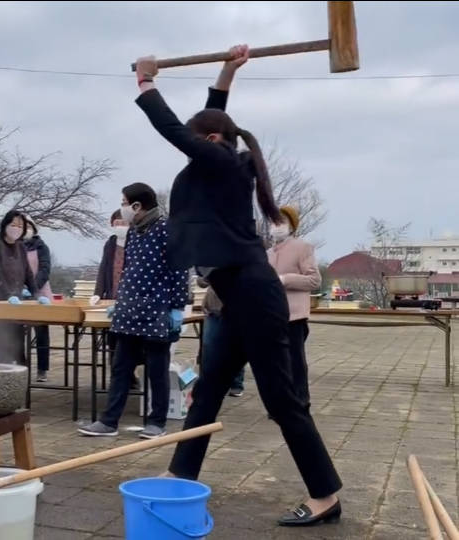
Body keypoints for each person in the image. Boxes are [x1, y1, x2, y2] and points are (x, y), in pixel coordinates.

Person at [133, 47, 342, 526]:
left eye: (198, 140)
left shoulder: (224, 165)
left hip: (255, 296)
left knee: (282, 401)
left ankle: (326, 495)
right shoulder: (218, 162)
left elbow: (173, 129)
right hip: (235, 298)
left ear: (210, 141)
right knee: (207, 391)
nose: (190, 146)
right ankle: (181, 474)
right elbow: (213, 120)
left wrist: (146, 83)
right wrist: (227, 72)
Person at [78, 183, 188, 440]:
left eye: (125, 203)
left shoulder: (167, 229)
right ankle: (109, 422)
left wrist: (177, 307)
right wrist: (120, 301)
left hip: (157, 311)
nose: (123, 208)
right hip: (128, 312)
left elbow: (180, 270)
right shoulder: (134, 233)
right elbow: (128, 270)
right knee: (121, 368)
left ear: (138, 206)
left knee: (156, 370)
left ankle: (157, 422)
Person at [267, 206, 321, 410]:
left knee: (295, 361)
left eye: (281, 221)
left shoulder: (302, 247)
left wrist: (284, 280)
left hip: (294, 316)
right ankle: (280, 404)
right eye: (273, 221)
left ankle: (300, 401)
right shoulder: (268, 253)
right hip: (271, 316)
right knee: (275, 363)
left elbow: (314, 280)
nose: (276, 226)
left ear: (291, 225)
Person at [0, 210, 46, 365]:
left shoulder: (21, 247)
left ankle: (21, 374)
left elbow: (28, 273)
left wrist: (36, 293)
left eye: (20, 226)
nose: (17, 229)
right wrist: (8, 294)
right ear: (5, 225)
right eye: (13, 225)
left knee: (17, 345)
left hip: (16, 305)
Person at [94, 209, 141, 390]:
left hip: (131, 299)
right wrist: (98, 293)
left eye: (124, 223)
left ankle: (129, 374)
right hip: (112, 297)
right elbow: (104, 268)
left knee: (129, 340)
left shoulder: (136, 241)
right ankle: (117, 377)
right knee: (112, 339)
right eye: (117, 223)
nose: (120, 226)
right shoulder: (110, 243)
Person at [198, 277, 245, 397]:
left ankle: (236, 384)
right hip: (212, 310)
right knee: (208, 348)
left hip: (235, 309)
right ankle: (208, 384)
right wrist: (209, 276)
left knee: (234, 348)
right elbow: (201, 282)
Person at [23, 216, 54, 382]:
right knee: (16, 333)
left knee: (41, 333)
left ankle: (42, 369)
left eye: (29, 226)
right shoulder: (15, 246)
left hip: (40, 293)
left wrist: (33, 287)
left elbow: (45, 269)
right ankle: (20, 366)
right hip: (19, 295)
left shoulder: (41, 246)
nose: (25, 229)